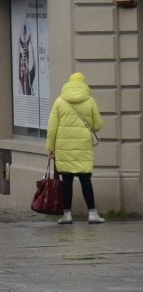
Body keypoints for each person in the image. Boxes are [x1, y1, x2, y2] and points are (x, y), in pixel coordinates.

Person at [46, 72, 105, 224]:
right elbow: (98, 125)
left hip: (63, 147)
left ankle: (67, 215)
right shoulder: (90, 101)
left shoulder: (59, 101)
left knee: (67, 181)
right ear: (84, 84)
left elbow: (52, 127)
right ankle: (92, 213)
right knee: (85, 180)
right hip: (83, 147)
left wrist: (50, 148)